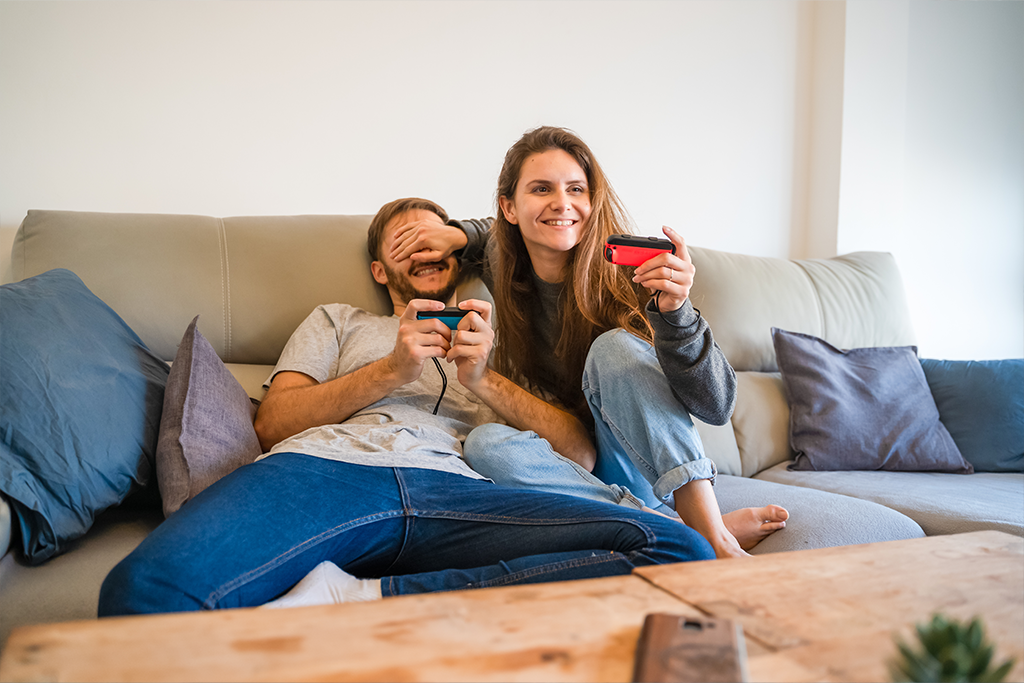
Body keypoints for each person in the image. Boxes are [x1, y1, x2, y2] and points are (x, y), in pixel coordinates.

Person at [97, 198, 715, 616]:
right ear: (378, 267)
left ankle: (362, 598)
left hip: (470, 492)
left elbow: (578, 454)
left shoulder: (503, 333)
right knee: (143, 592)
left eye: (433, 236)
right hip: (327, 474)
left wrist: (484, 379)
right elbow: (272, 423)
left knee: (679, 551)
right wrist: (391, 369)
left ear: (456, 255)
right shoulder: (338, 321)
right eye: (403, 239)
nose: (422, 247)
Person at [388, 127, 788, 559]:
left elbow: (717, 406)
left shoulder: (634, 276)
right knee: (486, 444)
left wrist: (677, 313)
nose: (562, 202)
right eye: (541, 189)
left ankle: (713, 539)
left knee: (613, 347)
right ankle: (667, 528)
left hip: (652, 466)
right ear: (509, 207)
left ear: (592, 201)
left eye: (576, 188)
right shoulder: (504, 265)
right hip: (583, 474)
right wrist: (459, 234)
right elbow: (488, 235)